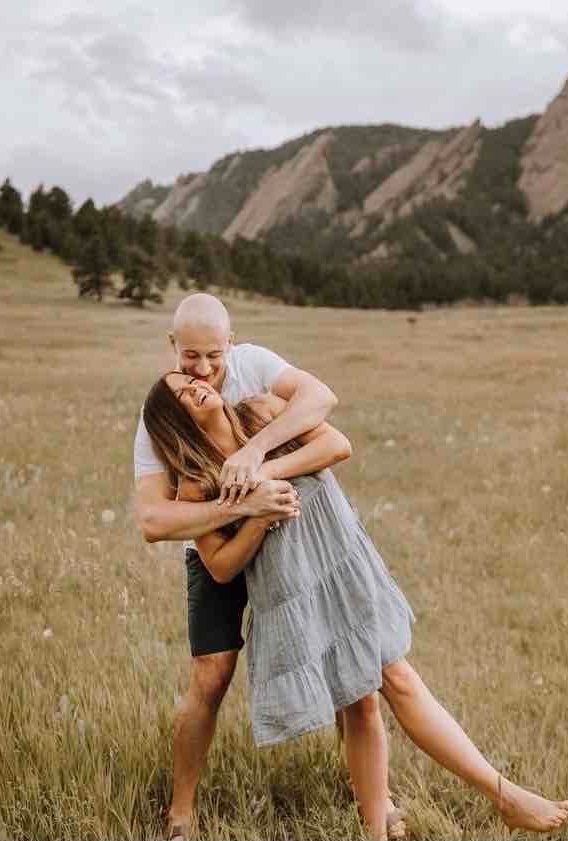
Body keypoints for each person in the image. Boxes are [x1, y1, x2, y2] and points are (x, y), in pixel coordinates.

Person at [142, 371, 568, 841]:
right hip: (299, 592)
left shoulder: (262, 411)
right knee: (369, 697)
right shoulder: (198, 481)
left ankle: (498, 798)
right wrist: (256, 516)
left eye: (190, 380)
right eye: (181, 394)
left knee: (385, 689)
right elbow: (222, 568)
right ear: (175, 420)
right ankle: (498, 797)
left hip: (344, 569)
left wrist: (261, 470)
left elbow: (336, 444)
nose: (195, 386)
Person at [134, 294, 405, 840]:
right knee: (211, 675)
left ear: (230, 344)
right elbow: (153, 519)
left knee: (346, 659)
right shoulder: (163, 414)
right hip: (215, 543)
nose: (203, 370)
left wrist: (254, 456)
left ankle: (375, 798)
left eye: (214, 355)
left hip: (288, 532)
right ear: (172, 346)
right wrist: (242, 508)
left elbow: (322, 402)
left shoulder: (255, 365)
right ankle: (181, 813)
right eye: (190, 357)